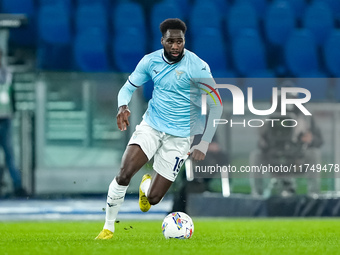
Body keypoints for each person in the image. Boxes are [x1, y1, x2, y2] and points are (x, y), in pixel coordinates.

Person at [95, 18, 222, 239]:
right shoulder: (150, 62)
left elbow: (217, 104)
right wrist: (122, 106)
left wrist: (204, 142)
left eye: (180, 41)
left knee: (153, 199)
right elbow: (128, 87)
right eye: (171, 41)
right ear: (162, 40)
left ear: (185, 41)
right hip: (151, 126)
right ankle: (108, 228)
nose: (175, 46)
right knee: (124, 174)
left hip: (181, 137)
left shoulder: (197, 67)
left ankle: (146, 188)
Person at [249, 90, 323, 197]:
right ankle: (257, 193)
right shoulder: (270, 120)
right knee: (256, 155)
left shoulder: (306, 119)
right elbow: (261, 146)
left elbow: (319, 141)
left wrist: (310, 139)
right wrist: (263, 136)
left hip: (297, 159)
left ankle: (314, 193)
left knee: (314, 154)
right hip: (274, 159)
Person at [0, 48, 27, 197]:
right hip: (5, 118)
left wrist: (13, 111)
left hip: (5, 119)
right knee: (9, 154)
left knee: (10, 154)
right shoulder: (6, 74)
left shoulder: (7, 74)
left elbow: (12, 94)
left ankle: (17, 186)